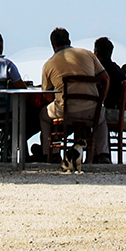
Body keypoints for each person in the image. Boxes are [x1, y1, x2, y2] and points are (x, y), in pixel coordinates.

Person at [39, 28, 110, 163]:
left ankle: (51, 153)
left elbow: (47, 97)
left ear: (53, 45)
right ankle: (103, 154)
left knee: (43, 115)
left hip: (66, 110)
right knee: (101, 117)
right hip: (91, 110)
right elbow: (105, 78)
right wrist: (102, 99)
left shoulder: (49, 64)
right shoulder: (88, 54)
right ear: (69, 41)